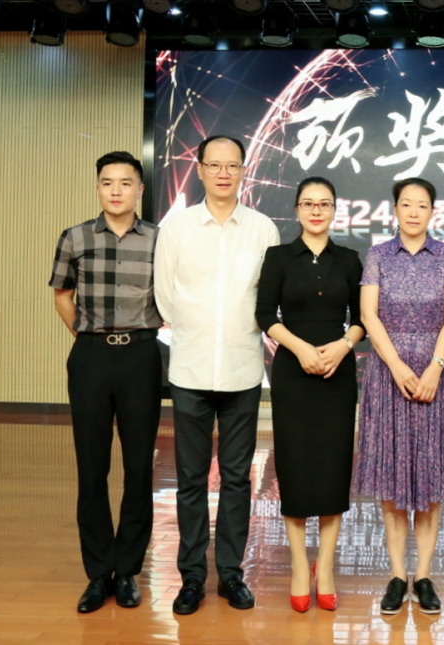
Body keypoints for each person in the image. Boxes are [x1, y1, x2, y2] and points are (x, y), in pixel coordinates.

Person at [154, 135, 281, 615]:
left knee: (236, 478)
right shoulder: (178, 228)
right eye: (215, 165)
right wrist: (195, 332)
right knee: (189, 479)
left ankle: (231, 573)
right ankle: (191, 577)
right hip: (189, 368)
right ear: (201, 169)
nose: (223, 173)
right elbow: (164, 295)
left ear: (243, 170)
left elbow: (267, 298)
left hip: (243, 370)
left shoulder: (263, 229)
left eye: (232, 166)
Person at [50, 151, 162, 614]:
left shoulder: (159, 239)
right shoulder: (75, 237)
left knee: (138, 468)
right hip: (91, 356)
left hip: (141, 355)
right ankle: (99, 573)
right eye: (107, 182)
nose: (116, 190)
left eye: (125, 182)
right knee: (92, 468)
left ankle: (128, 570)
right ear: (98, 187)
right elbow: (62, 295)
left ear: (140, 189)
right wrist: (86, 337)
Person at [355, 178, 444, 616]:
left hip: (435, 374)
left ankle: (424, 576)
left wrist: (435, 368)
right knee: (392, 477)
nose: (414, 212)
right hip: (388, 374)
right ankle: (397, 575)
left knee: (431, 478)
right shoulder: (378, 256)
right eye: (406, 204)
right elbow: (369, 315)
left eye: (422, 205)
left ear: (432, 212)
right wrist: (398, 366)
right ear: (395, 210)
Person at [255, 177, 364, 613]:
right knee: (296, 466)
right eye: (308, 203)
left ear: (334, 210)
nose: (316, 211)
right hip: (292, 373)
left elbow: (363, 317)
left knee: (334, 468)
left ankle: (327, 567)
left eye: (324, 204)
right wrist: (299, 348)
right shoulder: (278, 257)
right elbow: (265, 313)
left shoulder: (350, 259)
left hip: (338, 373)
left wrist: (343, 346)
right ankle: (301, 566)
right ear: (297, 210)